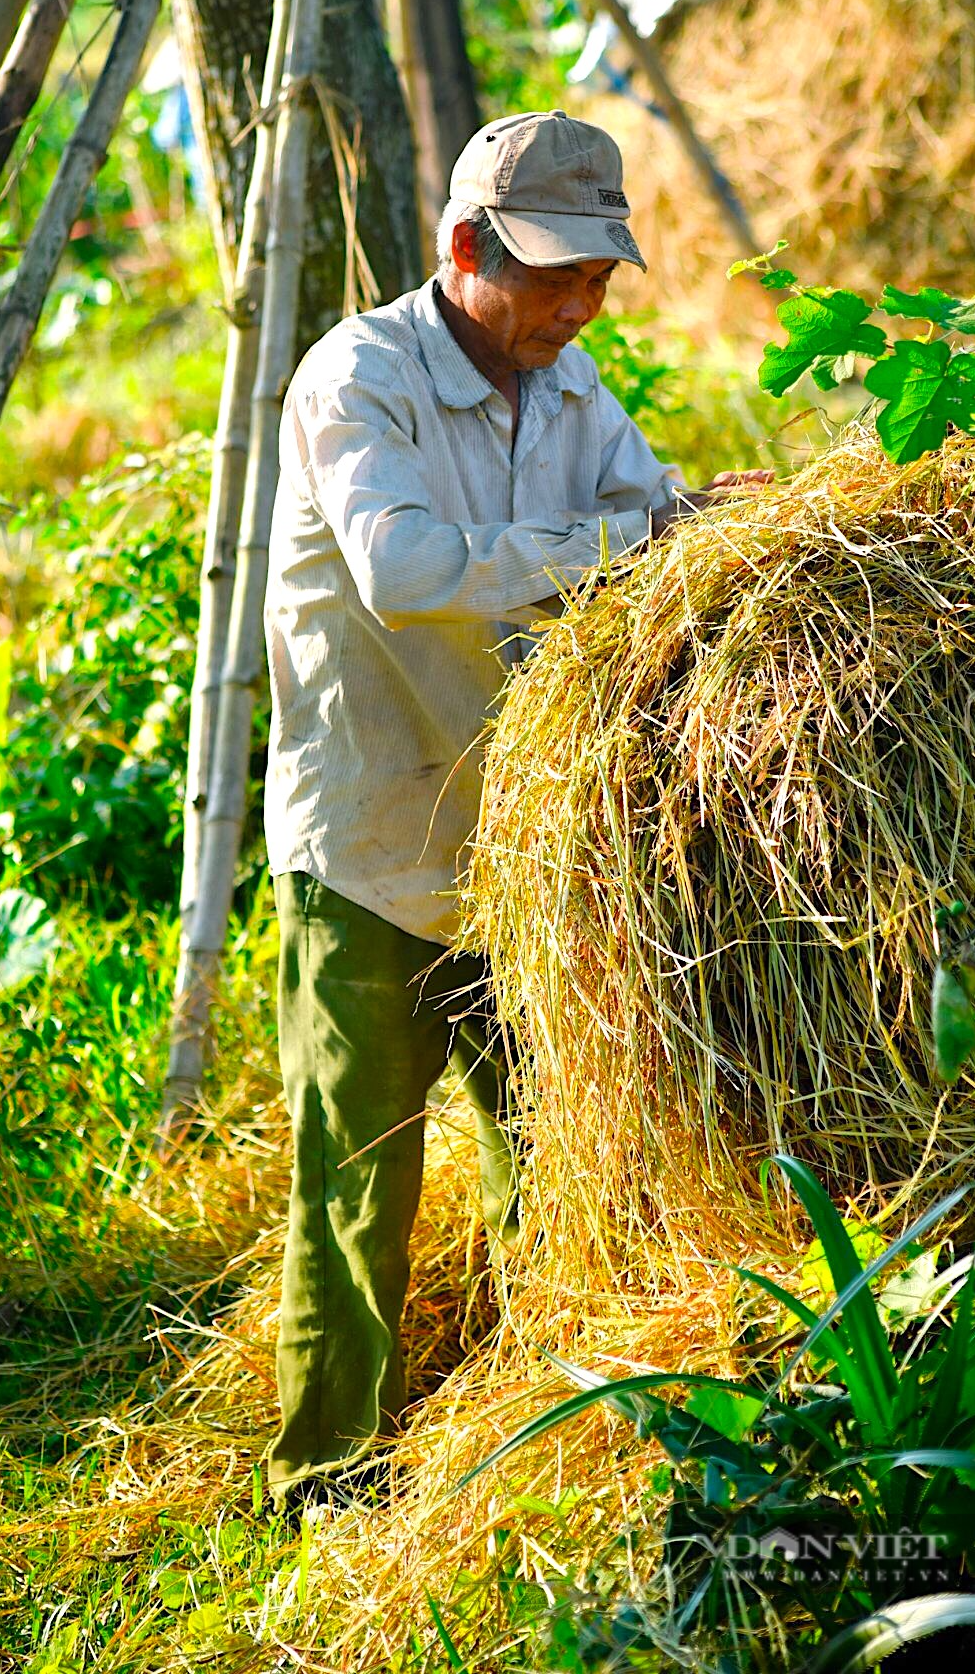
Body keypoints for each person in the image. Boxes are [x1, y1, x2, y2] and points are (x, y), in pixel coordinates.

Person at [262, 108, 768, 1509]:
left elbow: (650, 514)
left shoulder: (572, 386)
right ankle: (322, 1479)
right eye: (553, 272)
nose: (577, 302)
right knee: (357, 1190)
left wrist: (718, 527)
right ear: (464, 247)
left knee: (558, 1161)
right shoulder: (358, 376)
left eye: (600, 274)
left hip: (519, 851)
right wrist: (629, 539)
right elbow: (405, 567)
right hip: (368, 842)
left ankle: (538, 1438)